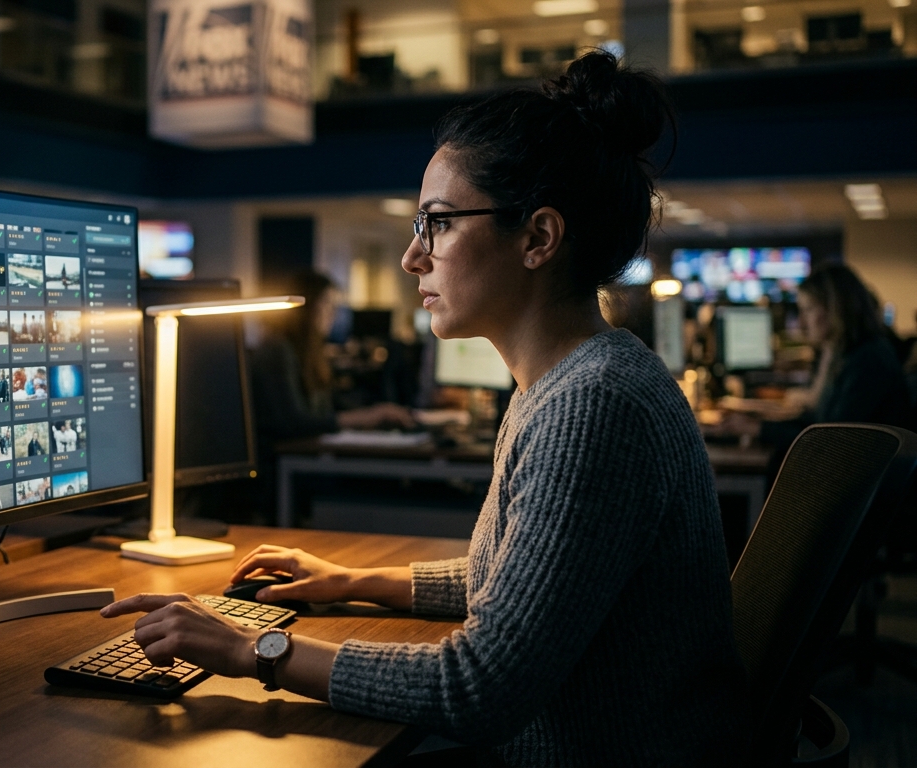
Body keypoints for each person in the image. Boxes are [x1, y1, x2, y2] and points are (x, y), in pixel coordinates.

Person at [101, 51, 745, 766]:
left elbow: (479, 687)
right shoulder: (570, 379)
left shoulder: (593, 404)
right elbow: (514, 581)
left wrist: (253, 646)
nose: (413, 257)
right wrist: (353, 582)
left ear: (538, 238)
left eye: (437, 223)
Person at [712, 263, 914, 451]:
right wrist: (757, 424)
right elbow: (819, 422)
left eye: (807, 309)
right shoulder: (848, 354)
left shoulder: (869, 361)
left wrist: (758, 429)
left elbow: (831, 438)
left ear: (836, 309)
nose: (801, 322)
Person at [248, 271, 416, 441]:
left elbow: (329, 409)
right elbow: (294, 422)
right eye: (327, 303)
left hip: (302, 456)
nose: (333, 312)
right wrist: (368, 416)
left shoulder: (309, 353)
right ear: (307, 307)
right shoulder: (276, 350)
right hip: (284, 461)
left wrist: (378, 413)